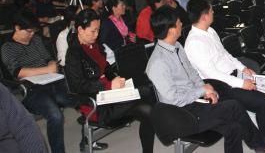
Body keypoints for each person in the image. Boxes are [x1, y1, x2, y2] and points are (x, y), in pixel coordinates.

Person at [146, 6, 265, 153]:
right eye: (179, 22)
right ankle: (263, 145)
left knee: (234, 127)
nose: (182, 24)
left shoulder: (177, 46)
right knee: (234, 106)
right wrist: (201, 91)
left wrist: (206, 89)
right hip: (180, 114)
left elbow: (192, 73)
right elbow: (173, 99)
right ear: (171, 29)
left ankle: (261, 145)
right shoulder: (158, 63)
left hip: (195, 100)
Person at [184, 0, 265, 147]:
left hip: (233, 76)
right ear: (204, 16)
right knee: (264, 100)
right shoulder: (194, 43)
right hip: (222, 86)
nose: (213, 12)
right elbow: (212, 75)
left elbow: (226, 55)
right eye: (211, 10)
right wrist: (242, 83)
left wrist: (243, 68)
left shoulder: (210, 31)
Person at [65, 9, 155, 153]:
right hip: (96, 103)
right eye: (93, 31)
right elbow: (78, 86)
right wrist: (108, 84)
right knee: (145, 95)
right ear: (80, 29)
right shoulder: (74, 54)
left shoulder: (95, 44)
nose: (97, 35)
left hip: (109, 95)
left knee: (147, 100)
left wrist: (115, 78)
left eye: (98, 30)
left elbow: (105, 68)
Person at [1, 10, 79, 153]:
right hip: (29, 89)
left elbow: (47, 57)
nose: (31, 35)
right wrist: (48, 69)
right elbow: (18, 72)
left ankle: (89, 135)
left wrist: (51, 63)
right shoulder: (7, 47)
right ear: (17, 28)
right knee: (55, 115)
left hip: (51, 81)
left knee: (79, 96)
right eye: (28, 31)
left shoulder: (36, 39)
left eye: (33, 31)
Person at [0, 82, 47, 153]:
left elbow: (24, 125)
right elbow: (18, 72)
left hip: (46, 86)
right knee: (55, 115)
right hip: (31, 90)